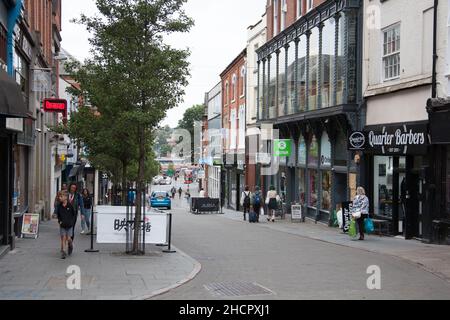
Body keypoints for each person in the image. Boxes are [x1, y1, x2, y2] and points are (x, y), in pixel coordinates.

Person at [56, 192, 76, 259]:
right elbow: (58, 215)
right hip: (62, 225)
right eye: (59, 196)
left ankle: (70, 245)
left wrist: (72, 222)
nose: (59, 198)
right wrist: (59, 221)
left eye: (61, 196)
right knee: (63, 238)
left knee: (68, 238)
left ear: (65, 197)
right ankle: (63, 252)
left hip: (69, 225)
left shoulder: (70, 206)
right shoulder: (59, 206)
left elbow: (74, 214)